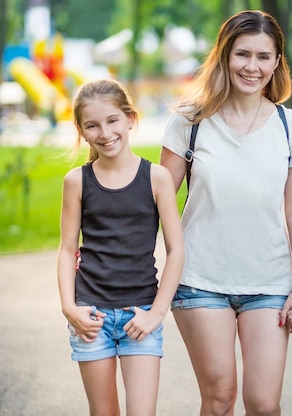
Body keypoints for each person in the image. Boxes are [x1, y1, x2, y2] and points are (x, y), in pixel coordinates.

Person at [159, 10, 292, 416]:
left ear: (278, 61)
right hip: (199, 280)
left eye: (264, 57)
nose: (252, 67)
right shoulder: (189, 122)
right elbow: (157, 200)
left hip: (269, 281)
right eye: (242, 54)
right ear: (224, 55)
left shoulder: (290, 126)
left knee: (264, 404)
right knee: (219, 398)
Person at [56, 78, 184, 416]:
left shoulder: (156, 178)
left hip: (139, 315)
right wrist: (70, 308)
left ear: (130, 119)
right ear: (81, 131)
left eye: (112, 120)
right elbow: (67, 249)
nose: (104, 132)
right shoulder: (76, 181)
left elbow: (177, 250)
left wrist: (157, 313)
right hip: (92, 316)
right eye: (92, 125)